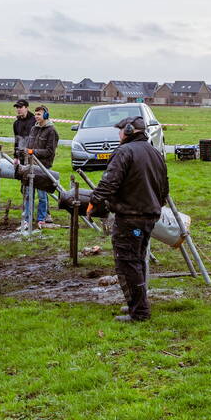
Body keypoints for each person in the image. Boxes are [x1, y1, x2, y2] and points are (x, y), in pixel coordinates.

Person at [87, 116, 169, 322]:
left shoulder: (124, 152)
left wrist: (93, 203)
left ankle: (140, 313)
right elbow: (164, 189)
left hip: (130, 216)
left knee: (127, 263)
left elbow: (109, 182)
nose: (119, 134)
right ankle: (137, 304)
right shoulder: (155, 153)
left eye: (120, 130)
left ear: (130, 130)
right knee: (138, 260)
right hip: (149, 215)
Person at [19, 105, 59, 229]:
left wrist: (33, 152)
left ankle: (41, 219)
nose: (36, 117)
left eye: (39, 114)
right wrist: (24, 152)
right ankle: (27, 219)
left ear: (46, 115)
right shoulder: (33, 129)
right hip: (30, 166)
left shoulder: (51, 131)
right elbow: (28, 145)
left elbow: (50, 151)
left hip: (43, 168)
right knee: (28, 195)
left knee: (42, 196)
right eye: (35, 114)